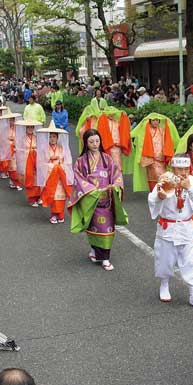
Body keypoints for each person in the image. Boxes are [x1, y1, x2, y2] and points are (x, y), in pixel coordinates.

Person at [148, 156, 193, 309]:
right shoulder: (165, 180)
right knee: (165, 258)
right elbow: (152, 199)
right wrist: (159, 197)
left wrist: (190, 187)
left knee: (189, 260)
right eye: (179, 169)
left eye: (185, 169)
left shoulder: (191, 181)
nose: (182, 172)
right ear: (172, 168)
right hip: (167, 227)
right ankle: (164, 284)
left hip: (185, 227)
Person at [68, 129, 125, 271]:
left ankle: (105, 258)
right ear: (86, 143)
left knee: (107, 229)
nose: (95, 144)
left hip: (106, 201)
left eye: (97, 141)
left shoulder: (107, 159)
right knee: (93, 228)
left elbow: (116, 175)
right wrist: (92, 191)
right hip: (91, 200)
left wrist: (115, 186)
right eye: (91, 141)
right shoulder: (81, 161)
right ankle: (94, 251)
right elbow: (78, 179)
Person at [128, 113, 179, 192]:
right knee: (154, 177)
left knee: (163, 177)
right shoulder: (145, 130)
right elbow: (134, 134)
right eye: (153, 120)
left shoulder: (162, 130)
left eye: (157, 120)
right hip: (151, 159)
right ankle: (155, 194)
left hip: (161, 158)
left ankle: (161, 194)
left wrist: (168, 121)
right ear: (150, 121)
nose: (155, 122)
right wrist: (143, 122)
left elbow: (168, 138)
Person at [37, 122, 73, 224]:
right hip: (51, 173)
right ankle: (53, 214)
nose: (52, 139)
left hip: (60, 174)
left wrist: (60, 167)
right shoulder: (45, 149)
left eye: (54, 137)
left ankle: (60, 214)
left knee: (61, 195)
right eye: (51, 137)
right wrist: (52, 165)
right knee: (52, 194)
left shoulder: (61, 148)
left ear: (57, 138)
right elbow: (42, 162)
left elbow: (67, 161)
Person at [15, 119, 44, 206]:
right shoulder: (22, 138)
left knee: (38, 179)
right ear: (26, 128)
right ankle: (32, 198)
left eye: (32, 127)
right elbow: (19, 150)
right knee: (30, 179)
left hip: (36, 159)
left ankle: (39, 196)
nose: (30, 129)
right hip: (26, 160)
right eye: (29, 127)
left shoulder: (37, 137)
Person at [96, 104, 131, 169]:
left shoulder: (117, 123)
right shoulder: (104, 121)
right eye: (110, 113)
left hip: (116, 146)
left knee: (117, 163)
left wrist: (124, 115)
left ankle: (116, 178)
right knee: (106, 164)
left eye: (113, 113)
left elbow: (123, 130)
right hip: (107, 146)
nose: (111, 115)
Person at [0, 109, 23, 191]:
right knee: (12, 167)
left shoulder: (18, 129)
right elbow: (2, 140)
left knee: (17, 167)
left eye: (13, 120)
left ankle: (15, 181)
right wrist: (10, 142)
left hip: (17, 150)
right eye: (10, 120)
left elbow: (21, 139)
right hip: (9, 150)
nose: (12, 121)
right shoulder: (5, 129)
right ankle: (14, 182)